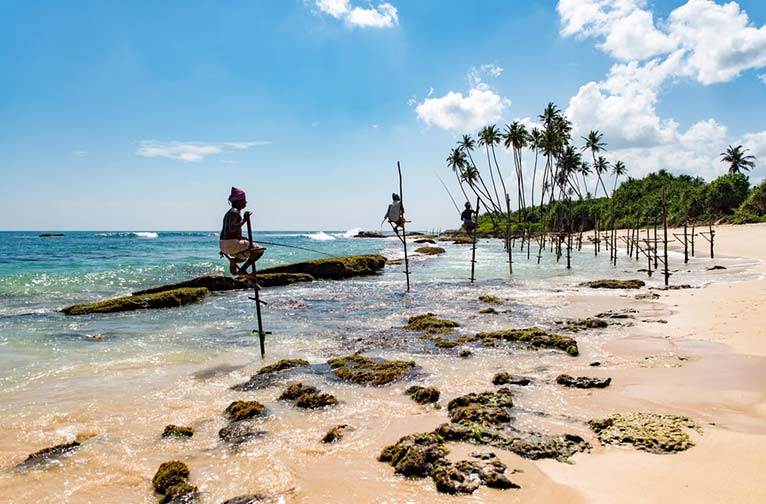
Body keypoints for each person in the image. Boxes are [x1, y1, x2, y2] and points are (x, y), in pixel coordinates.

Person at [219, 187, 264, 276]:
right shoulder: (235, 212)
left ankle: (234, 261)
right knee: (259, 250)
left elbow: (228, 231)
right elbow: (232, 228)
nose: (245, 202)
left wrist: (240, 238)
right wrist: (244, 220)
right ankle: (242, 270)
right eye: (243, 200)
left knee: (246, 254)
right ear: (237, 201)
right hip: (231, 244)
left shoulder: (229, 213)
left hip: (224, 245)